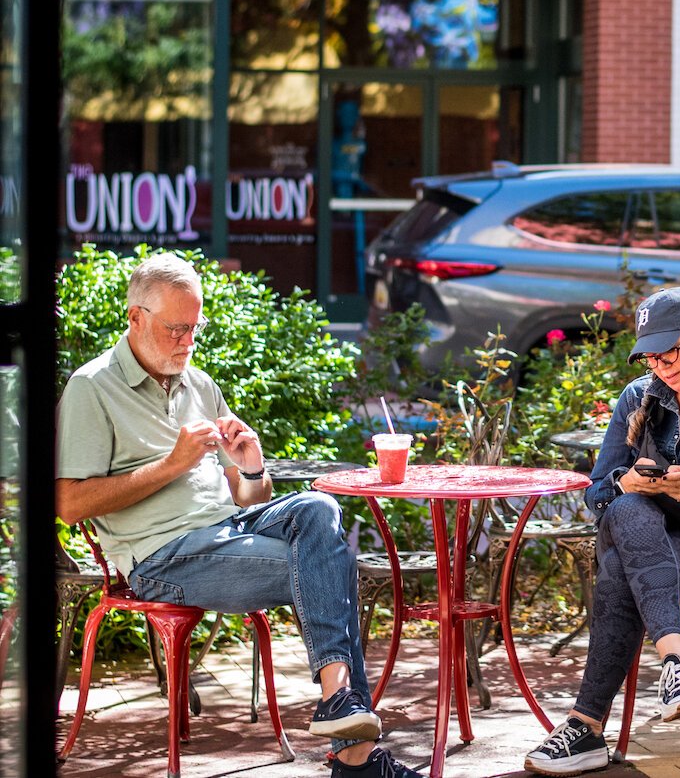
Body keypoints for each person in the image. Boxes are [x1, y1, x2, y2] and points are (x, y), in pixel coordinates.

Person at [55, 252, 424, 778]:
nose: (187, 342)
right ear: (135, 318)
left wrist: (251, 469)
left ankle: (341, 710)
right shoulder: (92, 388)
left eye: (195, 328)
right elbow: (69, 504)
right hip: (163, 558)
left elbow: (246, 496)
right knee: (331, 564)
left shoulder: (200, 385)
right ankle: (354, 748)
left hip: (230, 532)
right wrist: (172, 464)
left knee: (319, 508)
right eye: (175, 329)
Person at [523, 286, 680, 775]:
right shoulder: (637, 398)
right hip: (643, 534)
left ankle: (585, 728)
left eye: (670, 350)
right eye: (650, 355)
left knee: (618, 570)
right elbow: (595, 497)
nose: (661, 365)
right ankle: (676, 666)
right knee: (629, 509)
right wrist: (625, 482)